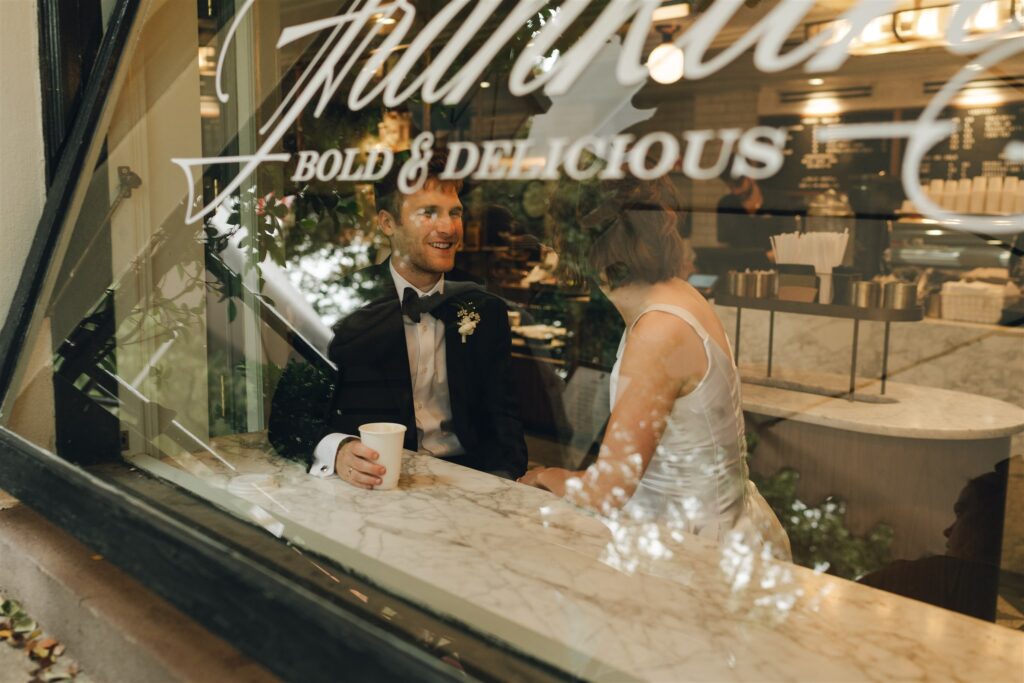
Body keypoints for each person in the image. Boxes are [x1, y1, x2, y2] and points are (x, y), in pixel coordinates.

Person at [520, 176, 791, 561]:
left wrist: (545, 474)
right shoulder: (678, 293)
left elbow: (608, 490)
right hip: (711, 522)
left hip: (692, 544)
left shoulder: (659, 330)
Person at [310, 151, 528, 487]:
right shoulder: (343, 303)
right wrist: (337, 449)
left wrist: (506, 483)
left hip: (468, 484)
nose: (448, 227)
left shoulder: (485, 309)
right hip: (377, 485)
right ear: (387, 223)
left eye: (455, 212)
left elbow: (505, 422)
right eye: (429, 213)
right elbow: (295, 414)